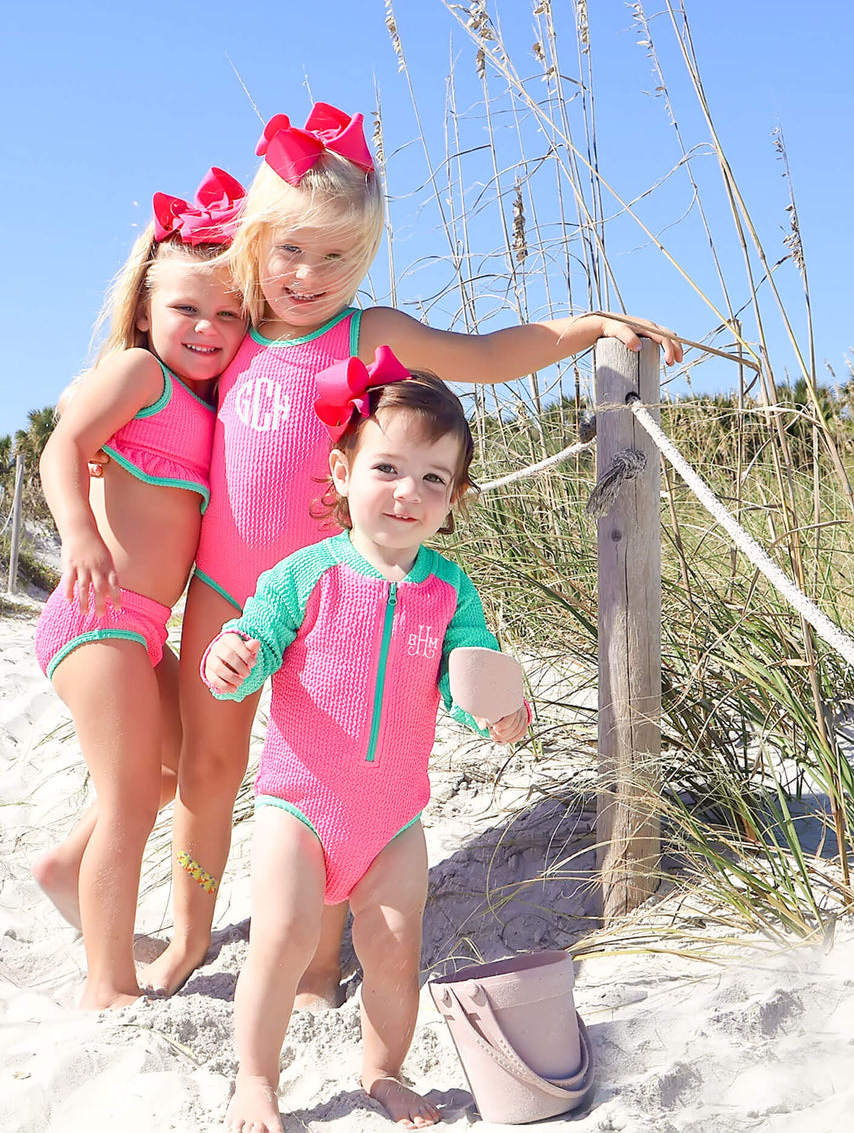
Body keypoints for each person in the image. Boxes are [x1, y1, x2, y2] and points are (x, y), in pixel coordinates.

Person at [141, 103, 682, 1001]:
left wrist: (587, 326)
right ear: (255, 240)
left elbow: (486, 354)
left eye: (336, 258)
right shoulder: (230, 328)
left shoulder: (366, 333)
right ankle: (189, 935)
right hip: (222, 590)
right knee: (209, 768)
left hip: (330, 603)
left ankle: (320, 956)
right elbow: (152, 393)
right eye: (290, 250)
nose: (309, 275)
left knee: (330, 778)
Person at [203, 357, 530, 1130]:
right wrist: (231, 658)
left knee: (393, 948)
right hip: (300, 806)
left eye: (433, 479)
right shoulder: (306, 575)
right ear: (343, 472)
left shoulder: (449, 590)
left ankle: (384, 1072)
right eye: (387, 468)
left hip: (391, 817)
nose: (408, 492)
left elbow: (465, 677)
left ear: (453, 501)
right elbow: (254, 642)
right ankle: (256, 1079)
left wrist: (495, 714)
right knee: (282, 937)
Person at [33, 168, 248, 1008]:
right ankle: (109, 984)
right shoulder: (138, 374)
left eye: (229, 313)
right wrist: (79, 533)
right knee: (129, 797)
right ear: (148, 309)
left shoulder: (214, 407)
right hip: (97, 613)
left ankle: (66, 868)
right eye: (187, 308)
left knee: (179, 769)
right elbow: (63, 446)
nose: (207, 327)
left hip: (143, 628)